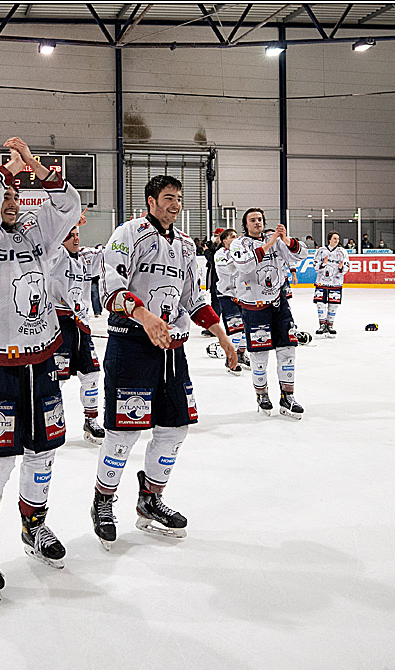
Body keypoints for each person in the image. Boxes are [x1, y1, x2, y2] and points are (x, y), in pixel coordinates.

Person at [0, 137, 82, 602]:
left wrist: (38, 169)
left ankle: (34, 526)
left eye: (13, 194)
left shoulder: (33, 236)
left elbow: (67, 207)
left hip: (40, 363)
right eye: (1, 194)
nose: (8, 199)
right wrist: (0, 176)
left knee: (42, 455)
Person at [90, 175, 236, 550]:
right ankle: (103, 502)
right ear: (151, 201)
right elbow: (111, 288)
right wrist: (145, 317)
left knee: (174, 429)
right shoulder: (128, 232)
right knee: (124, 432)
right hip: (133, 345)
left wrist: (223, 338)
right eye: (169, 198)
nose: (176, 204)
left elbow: (195, 299)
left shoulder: (187, 246)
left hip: (173, 351)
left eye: (179, 198)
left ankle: (150, 498)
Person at [230, 207, 306, 418]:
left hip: (279, 303)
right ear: (245, 224)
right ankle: (262, 395)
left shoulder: (276, 240)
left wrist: (286, 240)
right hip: (254, 307)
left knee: (288, 351)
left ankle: (287, 397)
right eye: (253, 220)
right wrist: (270, 242)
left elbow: (301, 255)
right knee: (259, 355)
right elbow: (244, 266)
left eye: (260, 219)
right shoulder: (239, 244)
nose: (257, 223)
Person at [48, 213, 106, 445]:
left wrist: (136, 226)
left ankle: (91, 420)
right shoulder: (55, 257)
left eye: (76, 235)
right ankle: (52, 420)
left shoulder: (84, 257)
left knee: (91, 374)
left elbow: (109, 250)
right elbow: (50, 242)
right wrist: (65, 221)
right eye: (69, 236)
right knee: (57, 378)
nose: (75, 239)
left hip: (81, 326)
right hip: (58, 325)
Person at [213, 227, 248, 373]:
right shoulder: (220, 254)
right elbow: (229, 268)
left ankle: (240, 354)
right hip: (227, 295)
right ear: (224, 240)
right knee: (236, 329)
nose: (235, 238)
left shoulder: (241, 252)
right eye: (231, 236)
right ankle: (230, 359)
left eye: (236, 236)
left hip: (243, 296)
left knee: (246, 329)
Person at [313, 231, 349, 338]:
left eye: (338, 239)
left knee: (333, 305)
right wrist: (323, 264)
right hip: (322, 282)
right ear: (329, 239)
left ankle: (330, 325)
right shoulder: (321, 251)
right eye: (334, 238)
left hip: (336, 283)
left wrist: (341, 267)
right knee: (320, 304)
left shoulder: (342, 252)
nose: (336, 241)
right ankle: (322, 325)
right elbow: (315, 265)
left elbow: (346, 266)